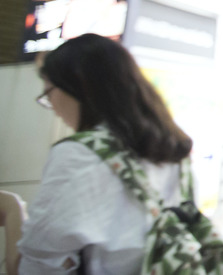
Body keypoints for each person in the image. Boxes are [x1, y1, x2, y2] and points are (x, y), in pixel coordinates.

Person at [0, 34, 193, 274]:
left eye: (48, 93)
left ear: (75, 87)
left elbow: (33, 269)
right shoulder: (172, 148)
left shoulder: (80, 154)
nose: (53, 107)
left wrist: (11, 209)